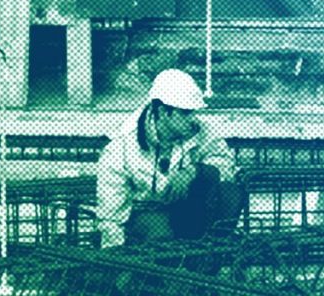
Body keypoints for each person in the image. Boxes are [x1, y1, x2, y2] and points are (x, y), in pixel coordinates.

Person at [96, 68, 241, 248]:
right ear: (164, 112)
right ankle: (167, 267)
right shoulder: (121, 149)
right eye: (185, 113)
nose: (193, 118)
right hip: (146, 215)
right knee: (160, 232)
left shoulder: (201, 131)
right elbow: (111, 217)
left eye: (193, 112)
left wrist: (194, 172)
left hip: (185, 211)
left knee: (231, 193)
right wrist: (115, 259)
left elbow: (226, 165)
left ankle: (205, 258)